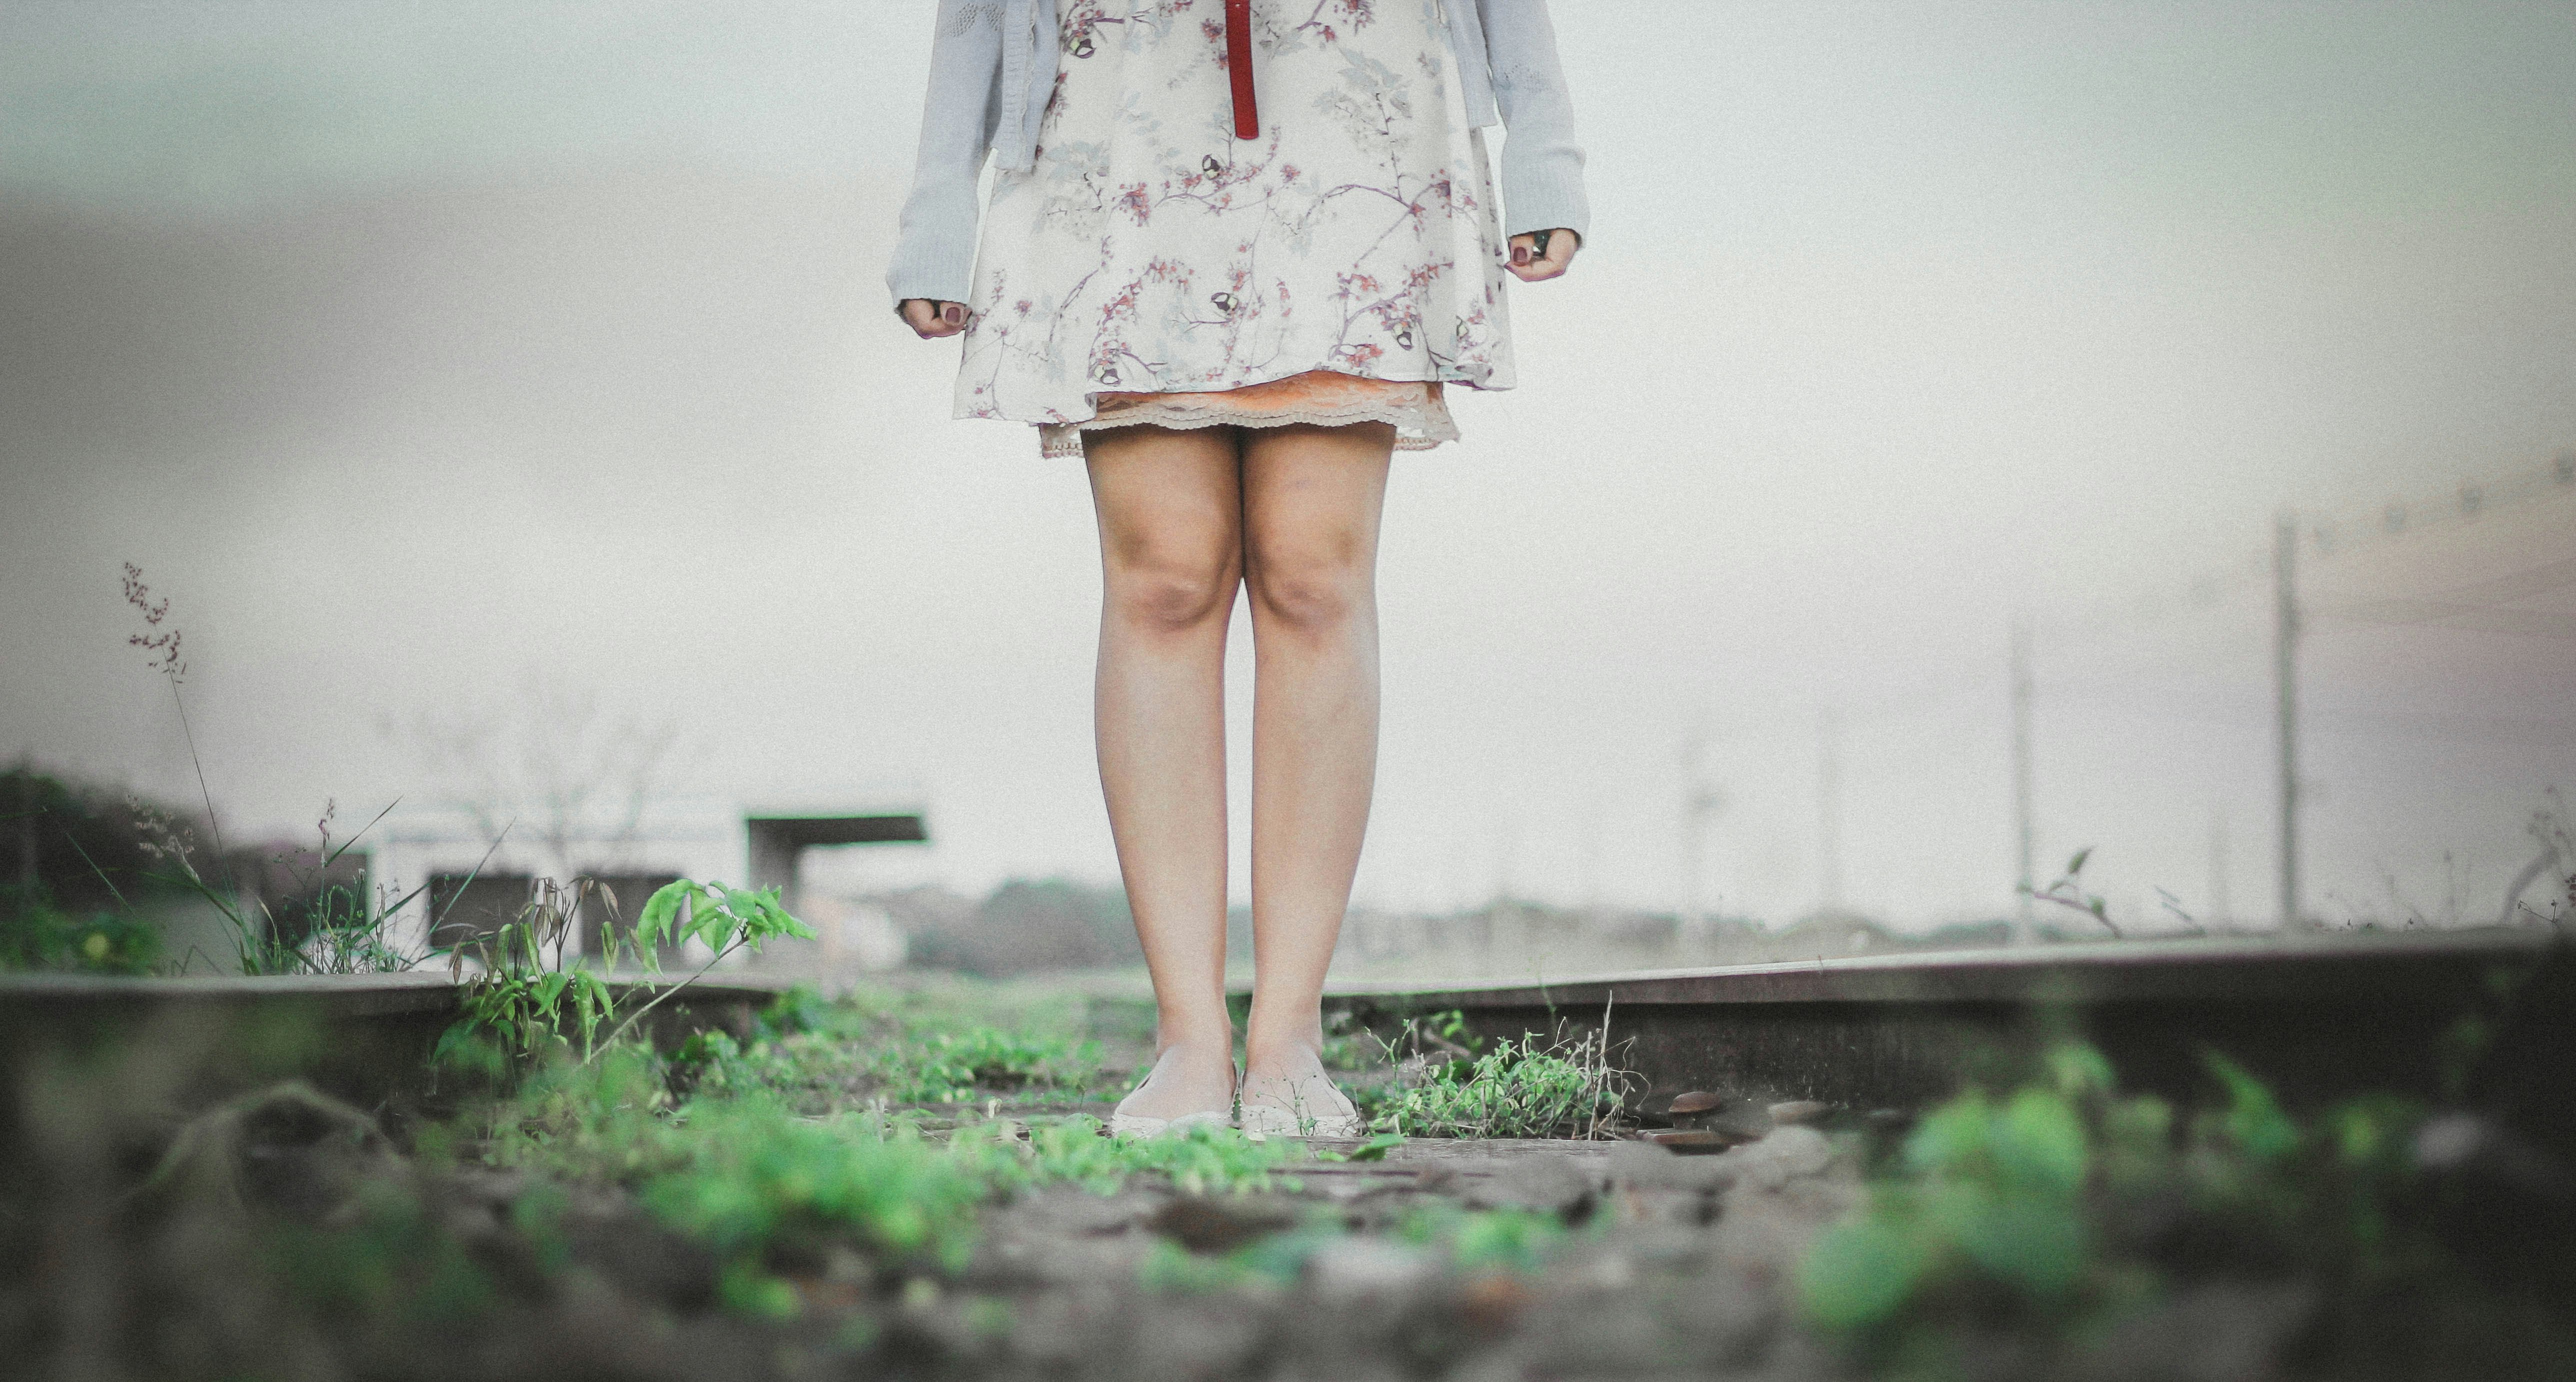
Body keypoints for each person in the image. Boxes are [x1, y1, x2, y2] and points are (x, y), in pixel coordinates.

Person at [889, 0, 1586, 1136]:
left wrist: (1541, 136)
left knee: (1314, 572)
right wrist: (937, 190)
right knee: (1163, 574)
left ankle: (1288, 1038)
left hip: (1348, 95)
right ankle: (1188, 1039)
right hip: (1117, 103)